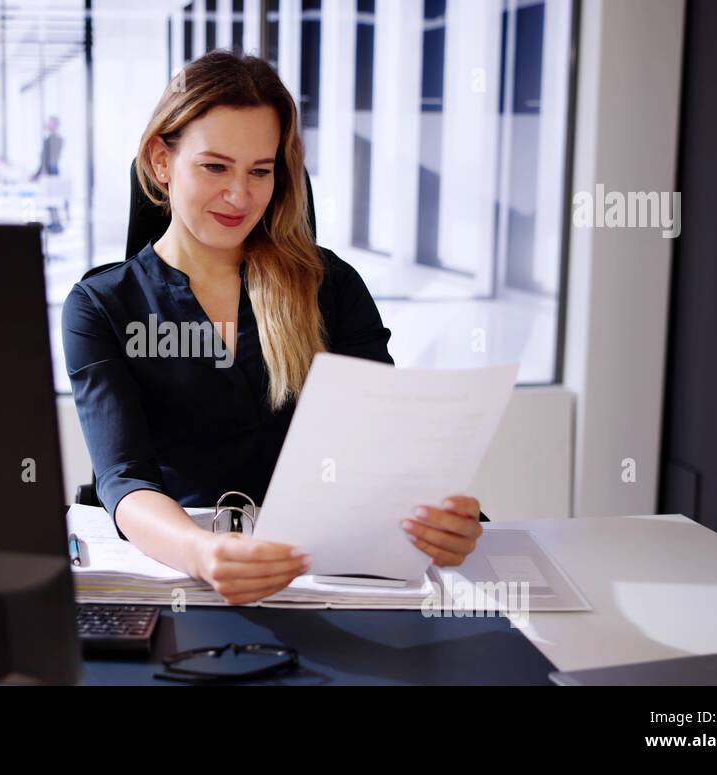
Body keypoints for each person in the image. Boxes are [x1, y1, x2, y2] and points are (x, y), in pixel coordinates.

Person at [62, 51, 484, 606]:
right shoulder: (100, 306)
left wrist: (440, 519)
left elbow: (380, 443)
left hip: (320, 570)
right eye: (215, 166)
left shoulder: (329, 286)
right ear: (161, 161)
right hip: (177, 574)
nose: (240, 196)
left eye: (260, 171)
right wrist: (203, 554)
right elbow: (124, 479)